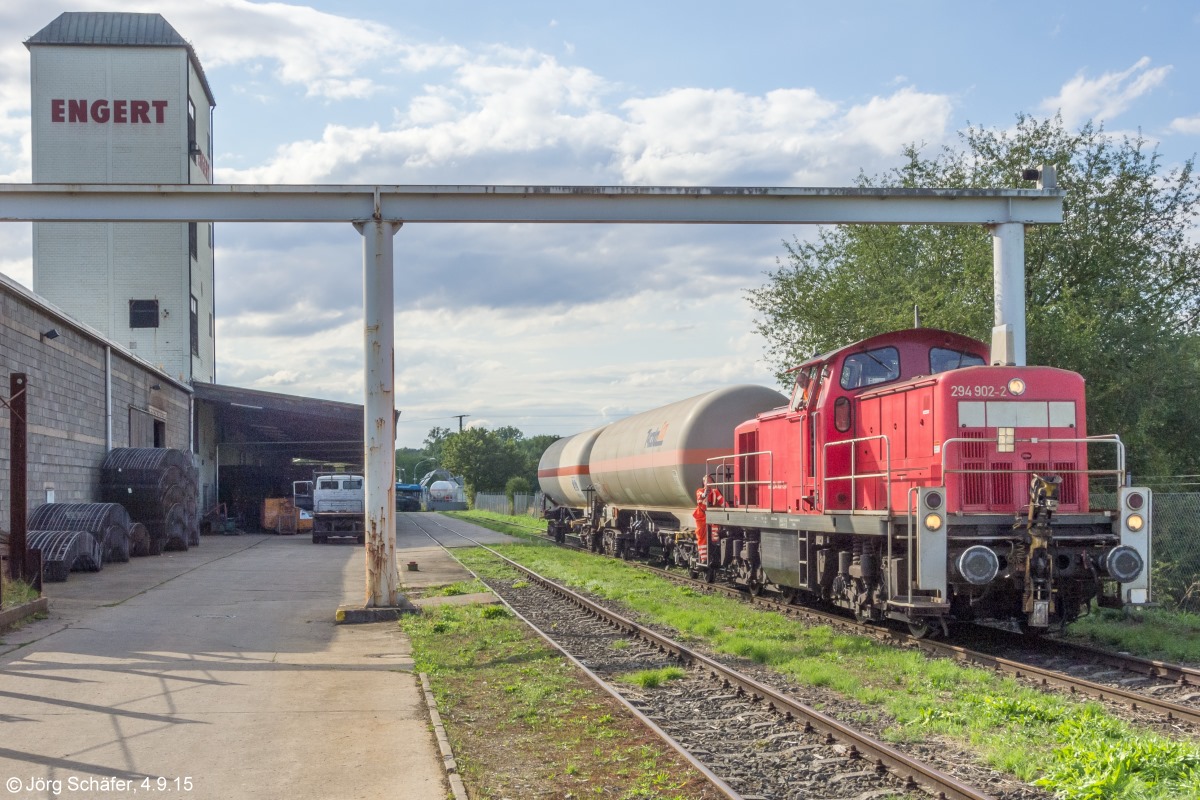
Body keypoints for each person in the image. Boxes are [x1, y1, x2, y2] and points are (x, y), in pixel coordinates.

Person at [692, 474, 725, 564]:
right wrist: (704, 494)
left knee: (715, 527)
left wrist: (729, 509)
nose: (709, 482)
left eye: (710, 481)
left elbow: (722, 501)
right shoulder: (700, 491)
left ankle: (715, 542)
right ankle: (703, 557)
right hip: (701, 516)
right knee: (701, 535)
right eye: (707, 481)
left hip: (712, 516)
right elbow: (700, 497)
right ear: (704, 482)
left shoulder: (715, 492)